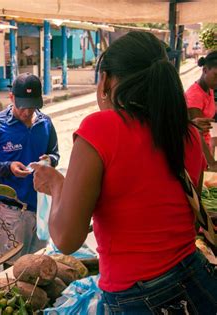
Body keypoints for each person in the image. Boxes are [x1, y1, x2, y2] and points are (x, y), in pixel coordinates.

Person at [32, 31, 217, 314]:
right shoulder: (188, 134)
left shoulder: (99, 129)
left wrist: (57, 186)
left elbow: (67, 240)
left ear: (106, 79)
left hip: (140, 299)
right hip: (198, 281)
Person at [0, 73, 59, 263]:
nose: (27, 112)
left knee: (38, 264)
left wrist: (50, 160)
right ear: (12, 97)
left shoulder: (45, 123)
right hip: (12, 212)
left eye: (32, 106)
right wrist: (7, 167)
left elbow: (55, 154)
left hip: (40, 208)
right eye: (22, 106)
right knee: (10, 269)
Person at [186, 51, 217, 162]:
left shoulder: (209, 89)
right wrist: (211, 162)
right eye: (216, 75)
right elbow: (197, 133)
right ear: (205, 70)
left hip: (204, 148)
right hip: (196, 151)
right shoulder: (195, 96)